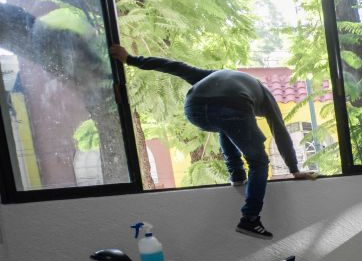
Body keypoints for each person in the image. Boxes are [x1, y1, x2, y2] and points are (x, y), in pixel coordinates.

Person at [110, 44, 317, 240]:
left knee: (227, 126)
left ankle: (236, 175)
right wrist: (294, 169)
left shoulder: (215, 76)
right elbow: (280, 132)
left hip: (194, 109)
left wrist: (130, 59)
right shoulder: (264, 94)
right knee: (259, 161)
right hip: (232, 105)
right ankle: (250, 219)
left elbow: (176, 67)